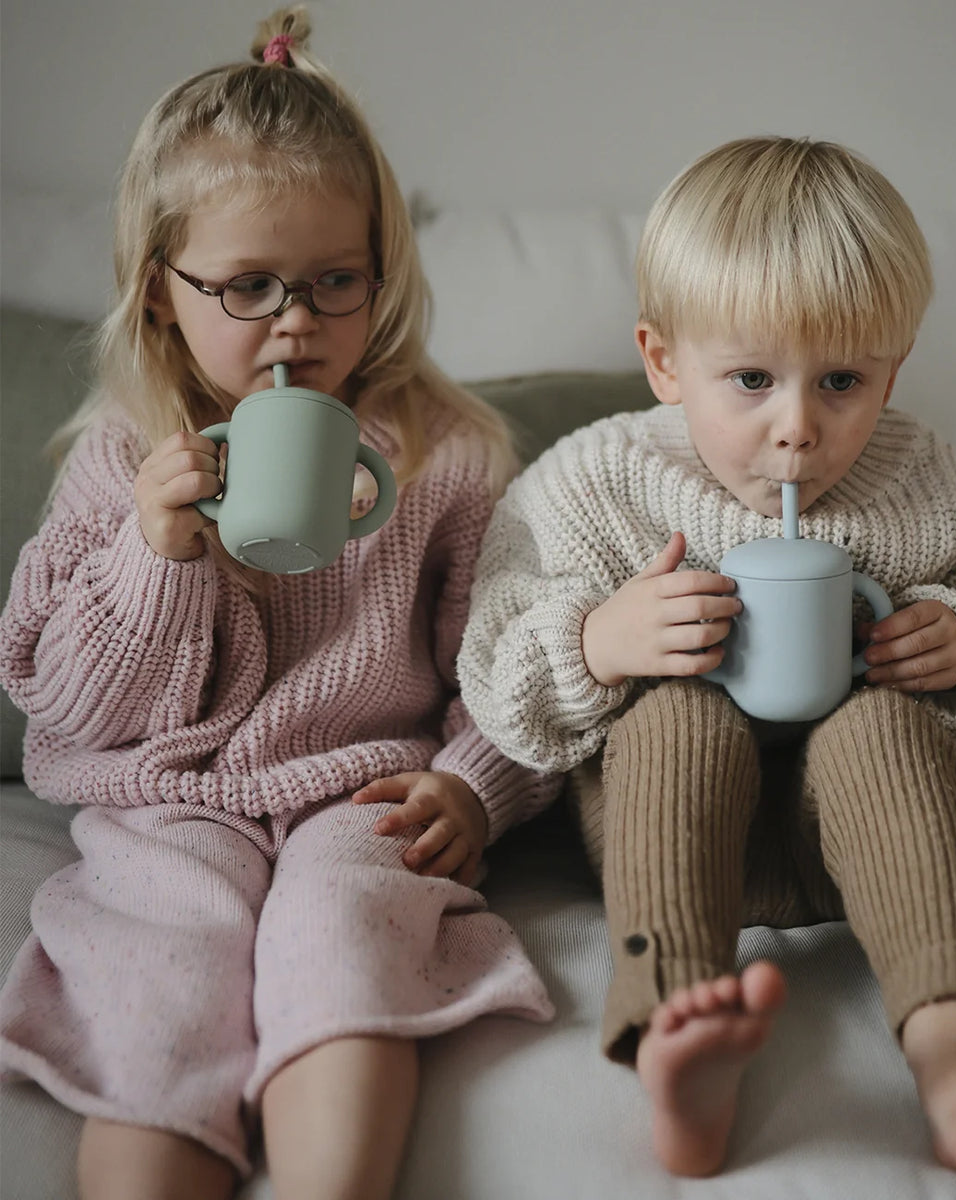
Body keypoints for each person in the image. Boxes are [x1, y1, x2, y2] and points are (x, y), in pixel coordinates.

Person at [0, 9, 559, 1198]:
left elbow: (518, 661)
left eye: (331, 282)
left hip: (359, 782)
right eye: (247, 287)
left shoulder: (447, 457)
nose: (295, 323)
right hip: (168, 796)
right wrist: (159, 553)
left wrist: (477, 786)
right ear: (161, 293)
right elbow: (59, 696)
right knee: (162, 967)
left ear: (379, 274)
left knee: (347, 929)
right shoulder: (120, 456)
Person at [459, 136, 956, 1178]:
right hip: (685, 835)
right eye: (749, 379)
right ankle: (677, 1037)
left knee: (880, 717)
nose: (798, 430)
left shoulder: (918, 480)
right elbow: (492, 672)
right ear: (663, 361)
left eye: (843, 379)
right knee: (674, 712)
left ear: (895, 365)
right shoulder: (596, 484)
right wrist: (599, 641)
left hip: (867, 844)